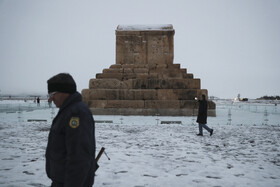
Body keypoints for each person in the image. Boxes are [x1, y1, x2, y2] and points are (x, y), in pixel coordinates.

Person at [45, 73, 97, 187]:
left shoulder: (76, 113)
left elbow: (79, 158)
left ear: (64, 92)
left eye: (53, 93)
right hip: (62, 181)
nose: (50, 98)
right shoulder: (68, 111)